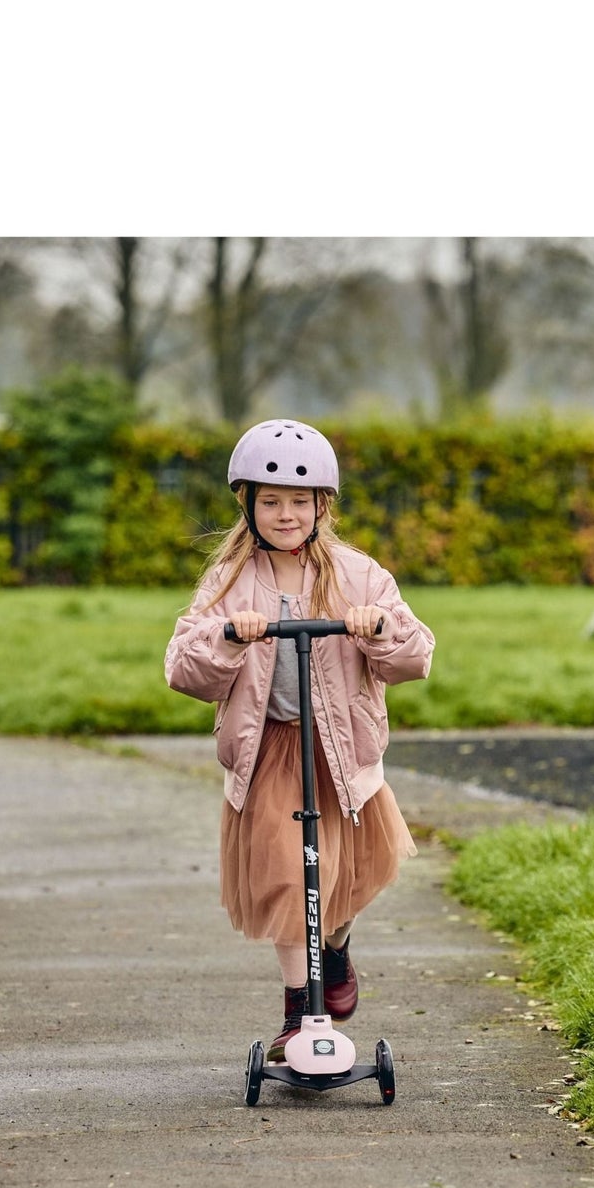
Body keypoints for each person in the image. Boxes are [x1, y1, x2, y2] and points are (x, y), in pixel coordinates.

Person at [165, 418, 434, 1061]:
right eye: (271, 501)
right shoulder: (230, 581)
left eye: (298, 502)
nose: (285, 514)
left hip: (339, 750)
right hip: (272, 751)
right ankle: (300, 1015)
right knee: (290, 878)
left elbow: (416, 655)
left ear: (322, 507)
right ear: (249, 506)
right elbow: (182, 667)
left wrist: (377, 632)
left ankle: (335, 950)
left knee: (343, 881)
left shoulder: (358, 575)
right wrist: (228, 636)